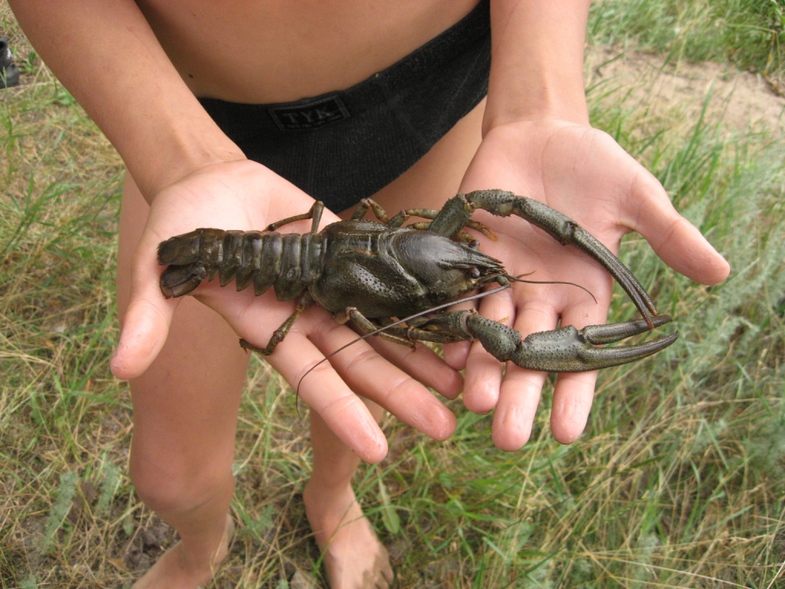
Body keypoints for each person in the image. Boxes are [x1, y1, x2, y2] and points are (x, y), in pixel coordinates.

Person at [9, 1, 730, 588]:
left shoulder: (440, 236)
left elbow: (466, 225)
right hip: (196, 125)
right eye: (473, 267)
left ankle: (330, 493)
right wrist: (179, 159)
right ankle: (200, 548)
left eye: (472, 266)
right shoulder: (411, 271)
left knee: (368, 398)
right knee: (169, 472)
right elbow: (381, 311)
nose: (480, 271)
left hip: (435, 94)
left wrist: (543, 104)